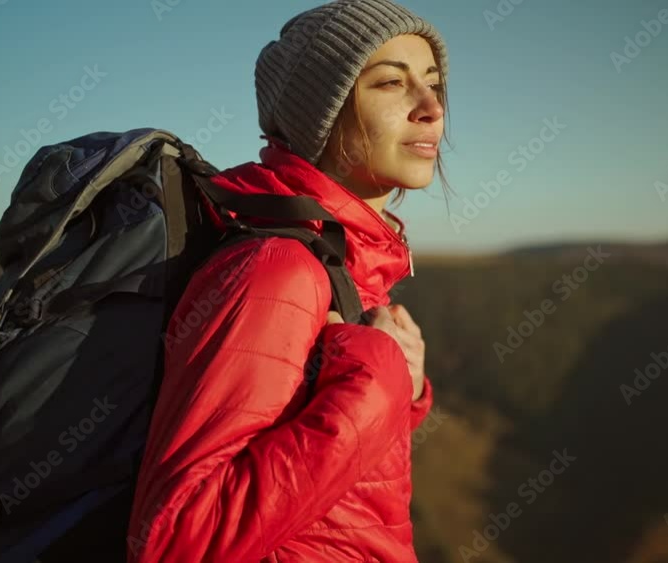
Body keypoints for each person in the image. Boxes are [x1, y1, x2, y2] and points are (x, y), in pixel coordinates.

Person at [125, 1, 451, 561]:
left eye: (435, 84)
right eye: (391, 83)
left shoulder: (344, 262)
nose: (430, 108)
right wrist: (378, 381)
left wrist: (406, 389)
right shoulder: (277, 269)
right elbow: (175, 540)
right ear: (318, 116)